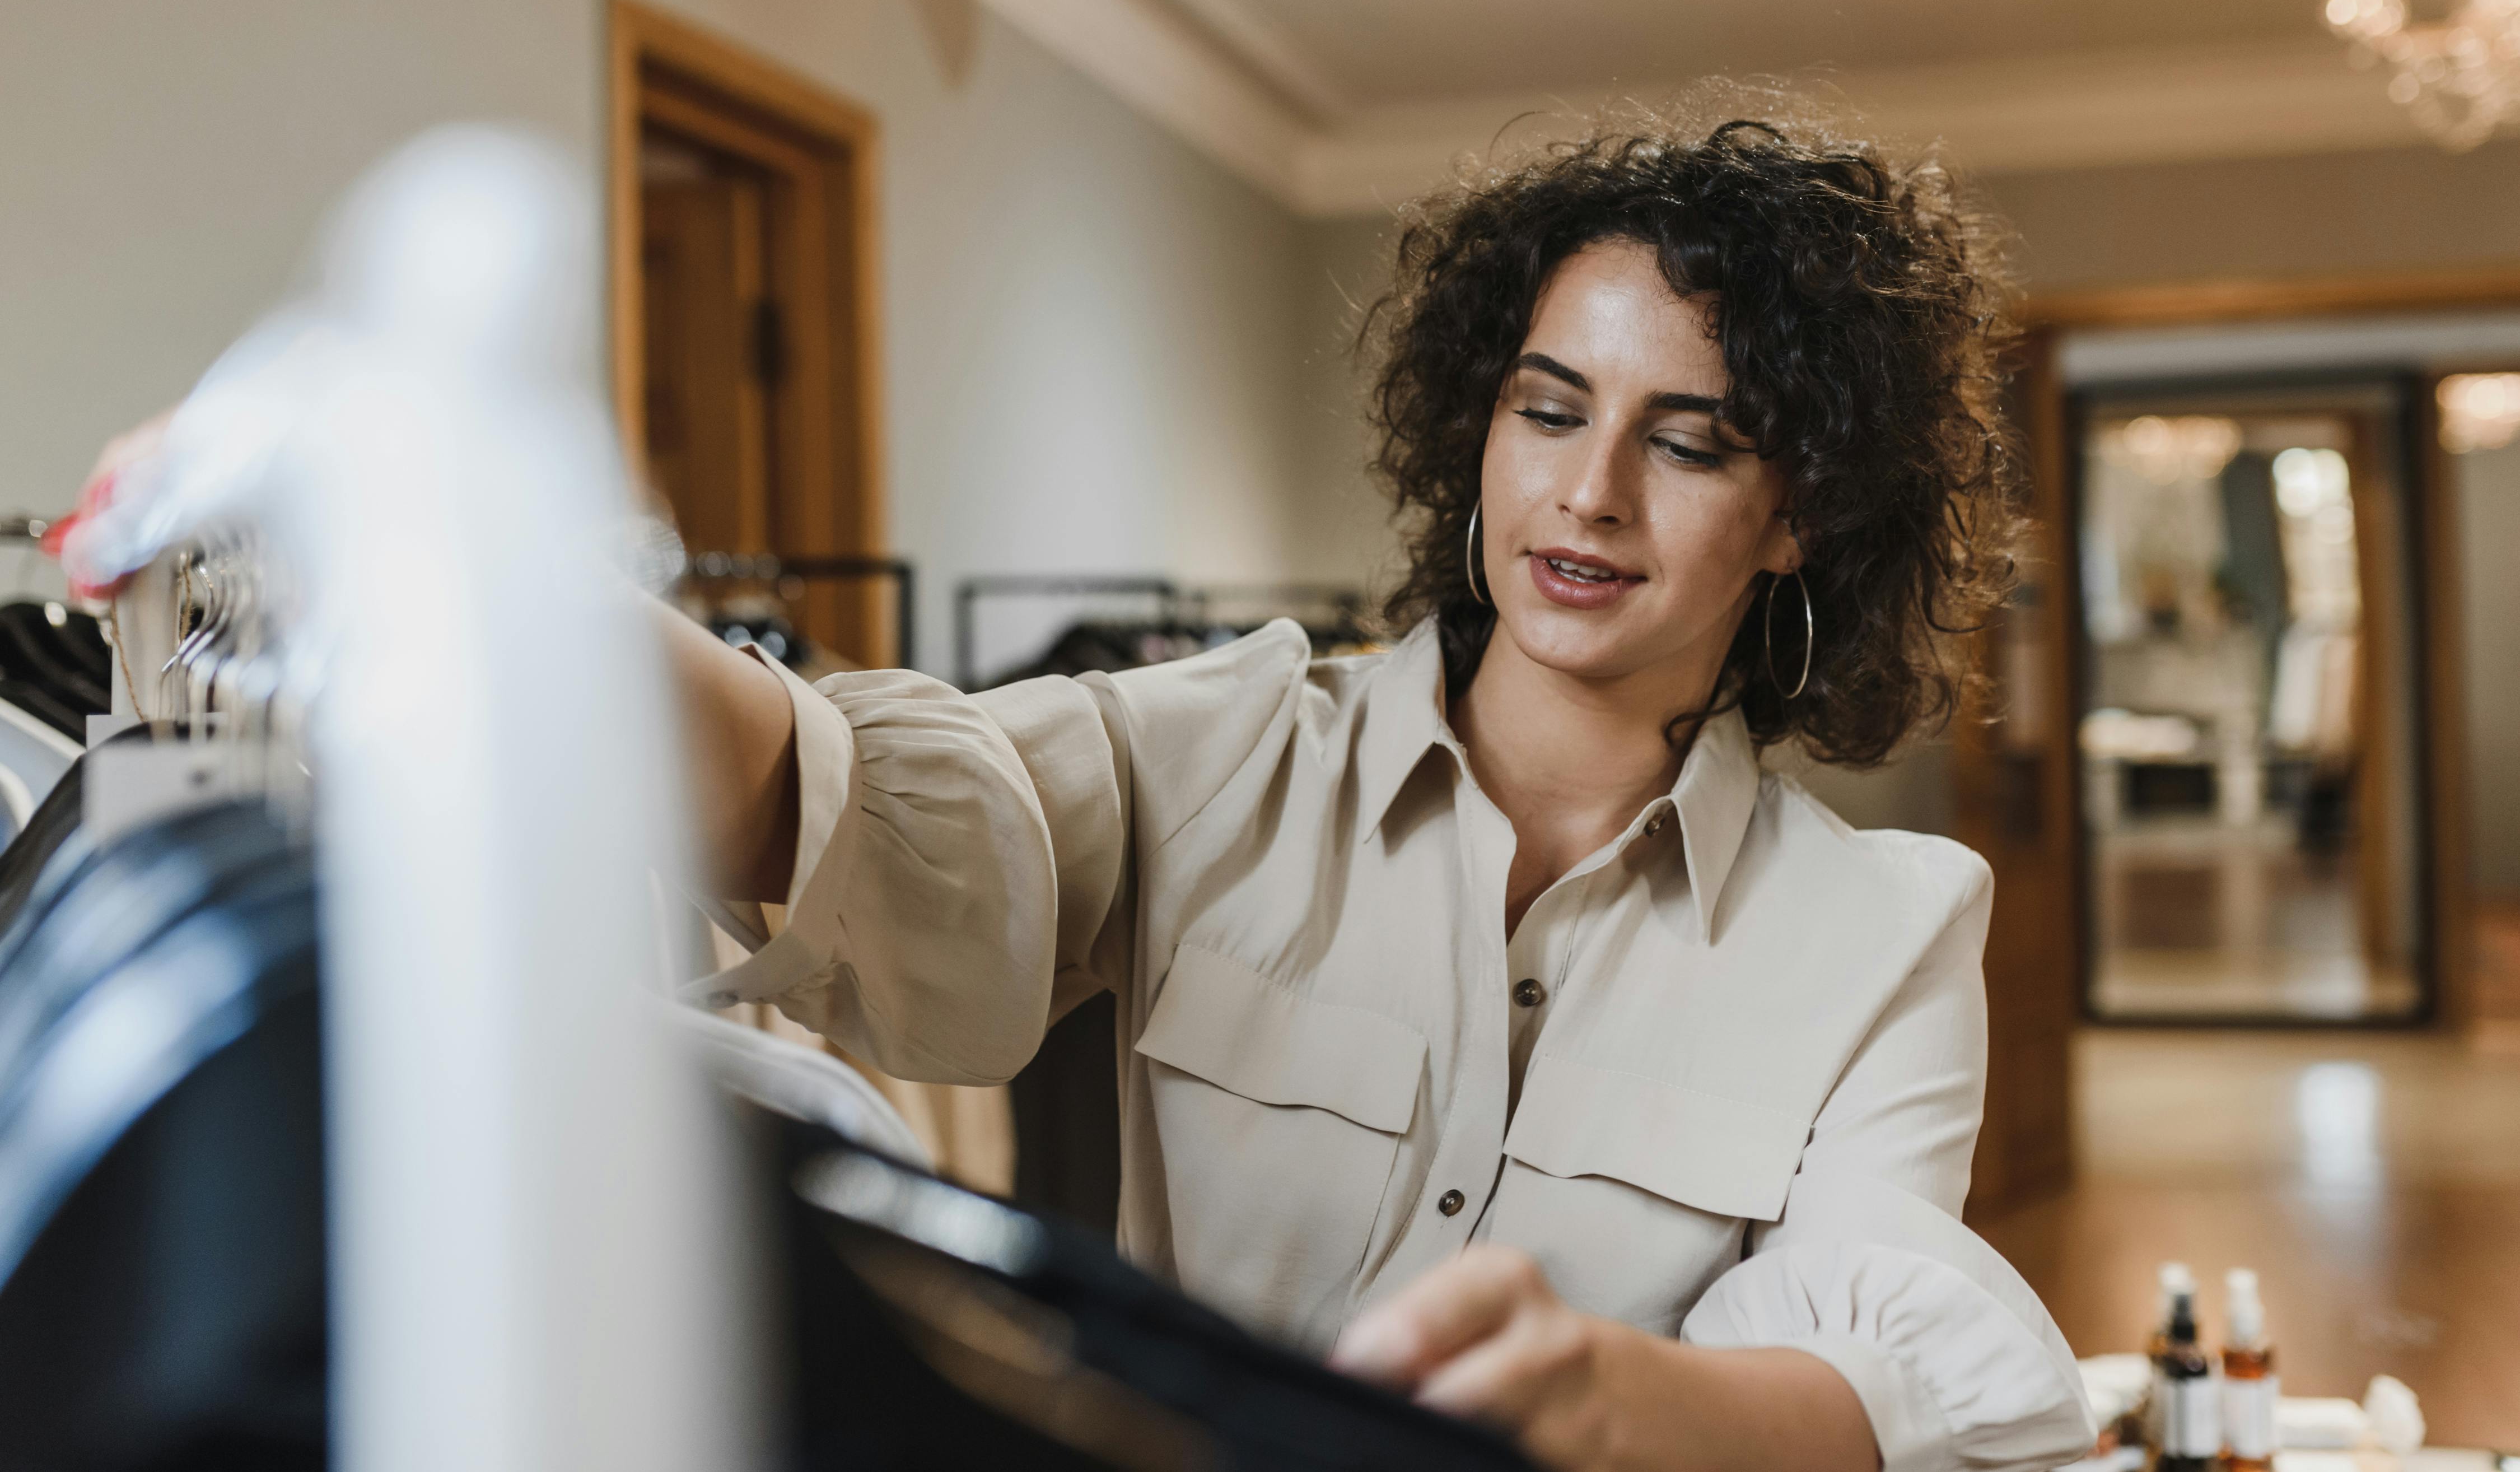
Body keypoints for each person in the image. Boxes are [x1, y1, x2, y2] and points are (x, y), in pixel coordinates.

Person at [77, 114, 2093, 1472]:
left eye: (1689, 439)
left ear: (1803, 506)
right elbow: (859, 807)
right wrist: (498, 576)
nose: (1582, 493)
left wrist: (1609, 1392)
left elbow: (1897, 1361)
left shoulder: (1887, 925)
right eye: (1547, 407)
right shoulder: (1218, 746)